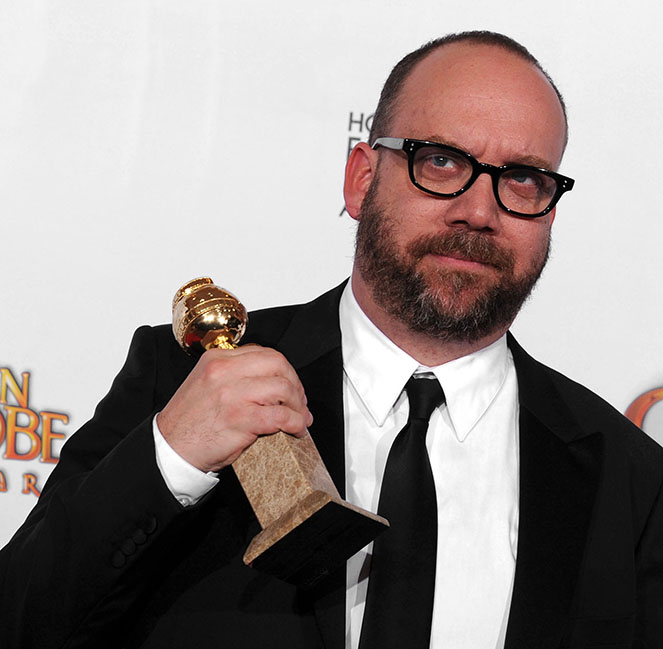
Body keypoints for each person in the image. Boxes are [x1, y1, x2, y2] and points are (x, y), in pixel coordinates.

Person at [2, 30, 662, 649]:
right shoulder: (184, 376)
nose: (478, 211)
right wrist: (170, 460)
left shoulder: (627, 477)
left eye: (522, 178)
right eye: (439, 161)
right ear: (361, 178)